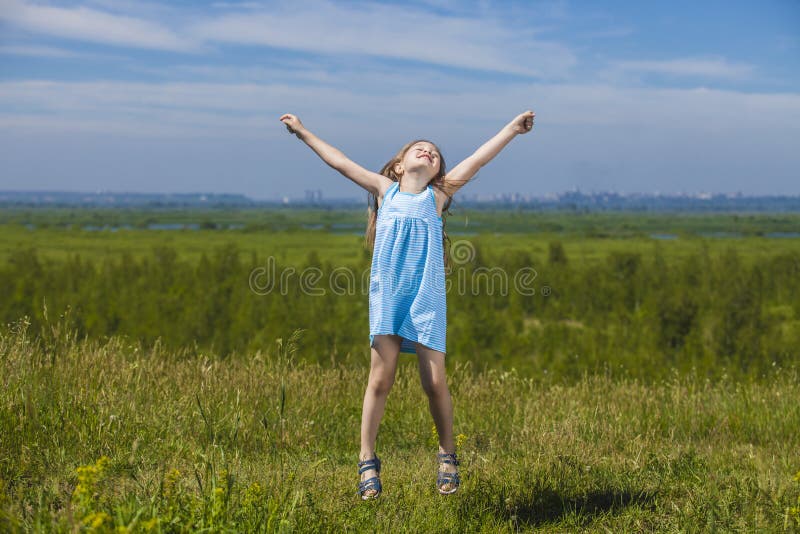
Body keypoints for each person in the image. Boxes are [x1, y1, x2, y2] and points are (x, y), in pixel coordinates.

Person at [278, 110, 535, 499]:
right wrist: (302, 133)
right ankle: (367, 459)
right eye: (420, 149)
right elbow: (340, 161)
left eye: (434, 153)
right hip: (389, 299)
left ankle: (447, 455)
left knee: (434, 382)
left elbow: (480, 157)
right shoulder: (386, 190)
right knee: (380, 380)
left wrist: (512, 130)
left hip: (426, 300)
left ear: (437, 173)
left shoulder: (438, 196)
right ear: (399, 166)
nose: (428, 152)